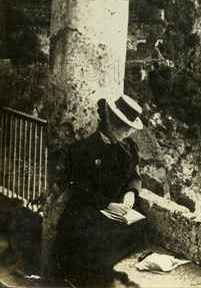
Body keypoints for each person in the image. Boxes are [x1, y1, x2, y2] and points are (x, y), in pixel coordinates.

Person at [53, 95, 146, 287]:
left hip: (118, 206)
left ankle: (102, 273)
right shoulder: (84, 149)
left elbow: (134, 176)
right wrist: (106, 204)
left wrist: (130, 192)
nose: (128, 132)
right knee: (91, 234)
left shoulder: (128, 147)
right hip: (90, 205)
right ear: (111, 124)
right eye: (124, 128)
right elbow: (79, 187)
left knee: (140, 229)